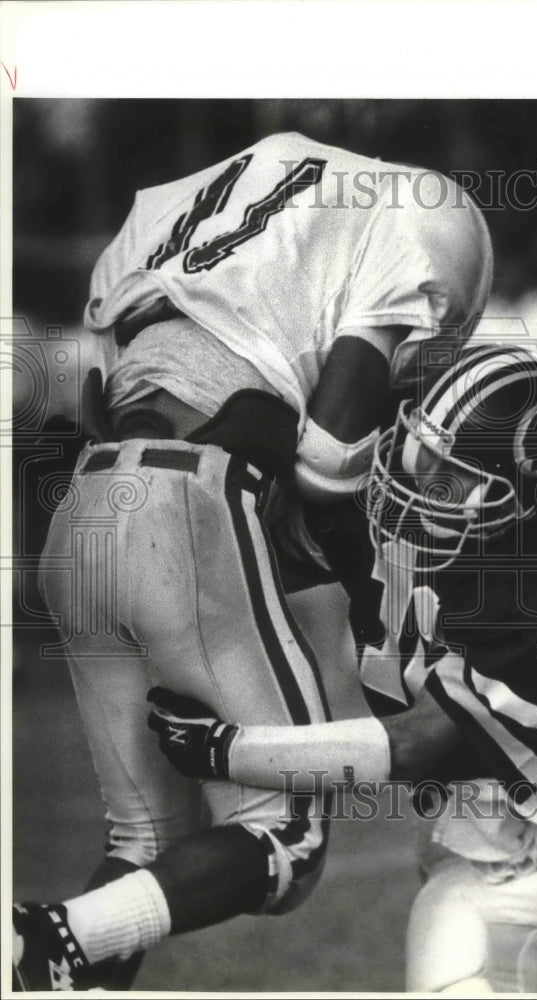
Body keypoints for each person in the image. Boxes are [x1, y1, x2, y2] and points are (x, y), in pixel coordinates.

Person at [11, 131, 492, 991]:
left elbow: (96, 398)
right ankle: (34, 935)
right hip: (192, 501)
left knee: (144, 846)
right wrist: (366, 583)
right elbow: (330, 456)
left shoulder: (166, 211)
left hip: (82, 515)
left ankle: (47, 960)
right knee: (286, 841)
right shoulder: (422, 214)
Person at [146, 342, 537, 993]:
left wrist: (229, 750)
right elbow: (244, 560)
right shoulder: (409, 516)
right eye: (417, 451)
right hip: (471, 855)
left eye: (446, 473)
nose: (412, 478)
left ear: (520, 486)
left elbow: (413, 743)